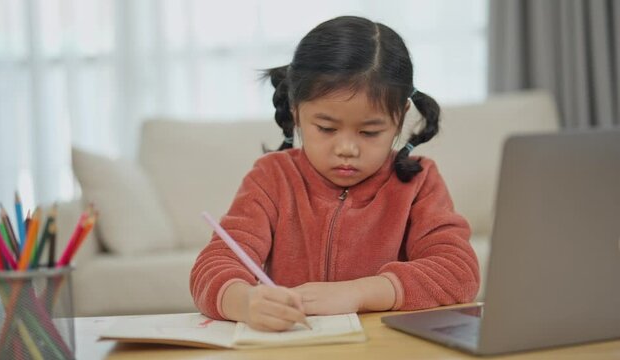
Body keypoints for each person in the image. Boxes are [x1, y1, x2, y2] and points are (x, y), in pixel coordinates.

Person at [190, 15, 479, 332]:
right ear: (296, 110)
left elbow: (459, 273)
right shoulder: (272, 178)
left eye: (370, 132)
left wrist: (358, 293)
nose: (347, 148)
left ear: (400, 119)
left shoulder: (418, 182)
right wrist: (244, 302)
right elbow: (213, 265)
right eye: (326, 128)